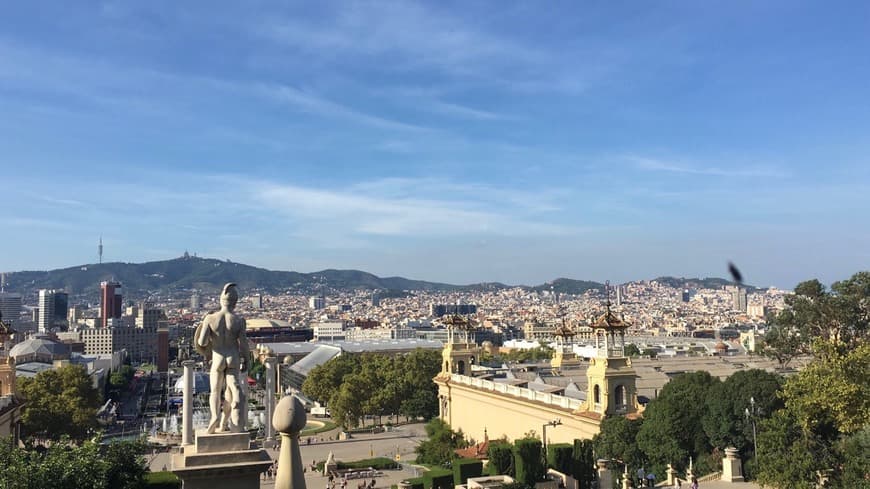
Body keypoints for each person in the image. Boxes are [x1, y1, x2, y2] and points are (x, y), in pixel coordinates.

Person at [195, 283, 251, 433]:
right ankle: (236, 401)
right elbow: (244, 345)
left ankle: (215, 417)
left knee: (215, 390)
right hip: (233, 358)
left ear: (221, 300)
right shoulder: (239, 321)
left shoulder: (210, 318)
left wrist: (209, 343)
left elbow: (201, 342)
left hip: (218, 357)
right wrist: (246, 360)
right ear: (235, 302)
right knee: (232, 388)